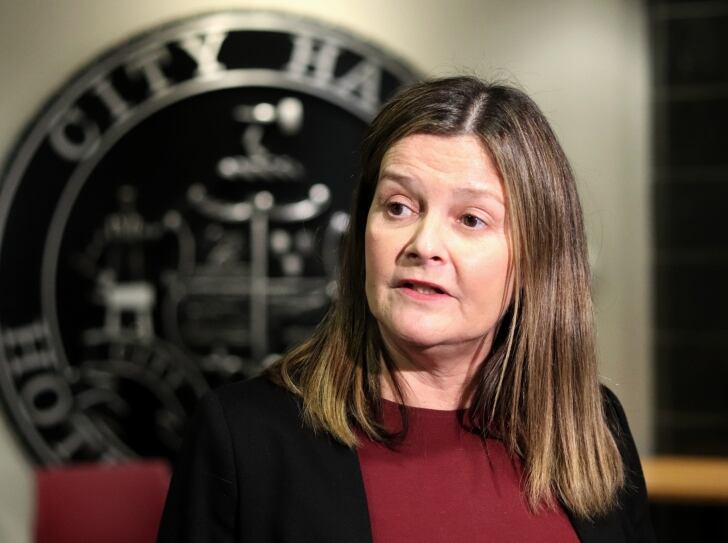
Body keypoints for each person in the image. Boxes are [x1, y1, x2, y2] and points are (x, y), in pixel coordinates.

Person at [157, 76, 655, 543]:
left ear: (535, 258)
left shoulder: (593, 426)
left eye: (471, 219)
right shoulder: (245, 437)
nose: (424, 243)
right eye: (399, 207)